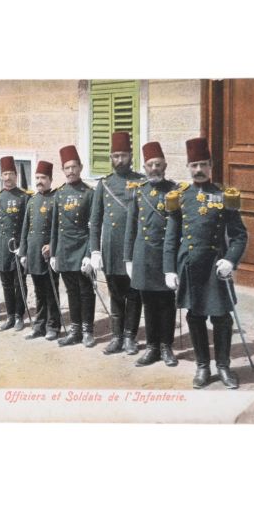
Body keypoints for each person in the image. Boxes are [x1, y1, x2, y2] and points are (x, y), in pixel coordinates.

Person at [163, 137, 248, 389]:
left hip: (215, 268)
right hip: (189, 266)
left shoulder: (224, 195)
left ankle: (223, 366)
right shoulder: (179, 197)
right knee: (195, 317)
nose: (198, 169)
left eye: (203, 164)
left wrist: (230, 260)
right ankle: (202, 367)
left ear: (211, 165)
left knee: (222, 318)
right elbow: (171, 237)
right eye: (194, 165)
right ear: (188, 167)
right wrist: (169, 269)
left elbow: (239, 235)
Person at [90, 131, 144, 355]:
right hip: (111, 249)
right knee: (115, 294)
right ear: (110, 158)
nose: (120, 160)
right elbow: (95, 221)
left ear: (131, 156)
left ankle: (130, 337)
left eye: (123, 155)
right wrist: (95, 250)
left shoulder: (141, 181)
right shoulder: (104, 184)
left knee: (134, 294)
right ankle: (116, 337)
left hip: (134, 248)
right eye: (116, 156)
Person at [124, 142, 178, 367]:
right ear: (144, 168)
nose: (154, 168)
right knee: (148, 303)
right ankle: (152, 347)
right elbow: (131, 227)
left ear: (165, 165)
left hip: (165, 256)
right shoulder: (138, 191)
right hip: (143, 256)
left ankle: (166, 347)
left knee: (166, 303)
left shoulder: (175, 191)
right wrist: (128, 258)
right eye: (150, 165)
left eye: (158, 164)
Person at [49, 145, 96, 347]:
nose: (70, 171)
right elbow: (54, 226)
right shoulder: (59, 194)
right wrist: (53, 253)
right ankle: (75, 330)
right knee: (71, 291)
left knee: (86, 291)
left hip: (82, 248)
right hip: (64, 250)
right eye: (67, 168)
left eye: (74, 167)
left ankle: (88, 331)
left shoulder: (89, 193)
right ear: (63, 170)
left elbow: (94, 227)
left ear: (81, 167)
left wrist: (89, 254)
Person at [0, 155, 31, 331]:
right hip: (3, 248)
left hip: (18, 246)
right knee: (5, 283)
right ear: (1, 176)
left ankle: (19, 316)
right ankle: (10, 316)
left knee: (19, 283)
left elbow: (28, 225)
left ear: (16, 176)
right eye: (5, 174)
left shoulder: (24, 197)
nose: (8, 177)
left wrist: (23, 248)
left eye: (11, 174)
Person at [18, 160, 61, 341]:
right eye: (37, 178)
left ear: (50, 179)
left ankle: (53, 326)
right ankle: (39, 326)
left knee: (51, 291)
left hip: (48, 254)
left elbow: (59, 228)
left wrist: (52, 246)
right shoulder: (32, 200)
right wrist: (23, 252)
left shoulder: (56, 198)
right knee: (38, 292)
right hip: (34, 252)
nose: (39, 181)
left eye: (43, 178)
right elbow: (25, 229)